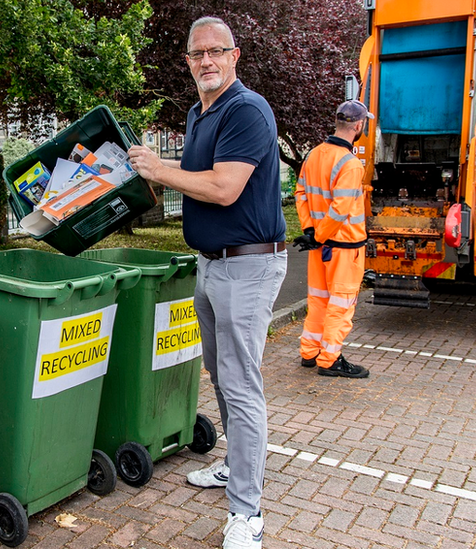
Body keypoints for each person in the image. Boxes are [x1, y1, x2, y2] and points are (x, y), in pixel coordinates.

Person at [128, 16, 287, 549]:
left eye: (217, 51)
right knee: (221, 375)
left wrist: (158, 171)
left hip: (248, 265)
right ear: (188, 61)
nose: (207, 61)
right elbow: (195, 168)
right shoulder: (201, 114)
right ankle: (233, 466)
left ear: (234, 56)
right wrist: (151, 164)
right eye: (198, 54)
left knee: (242, 386)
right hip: (212, 264)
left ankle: (247, 512)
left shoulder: (246, 109)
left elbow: (222, 186)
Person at [291, 100, 372, 378]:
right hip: (345, 248)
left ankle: (309, 352)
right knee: (341, 304)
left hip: (320, 247)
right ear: (359, 126)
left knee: (318, 301)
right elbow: (341, 209)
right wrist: (321, 234)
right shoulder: (349, 164)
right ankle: (330, 359)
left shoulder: (314, 154)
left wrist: (311, 232)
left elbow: (300, 192)